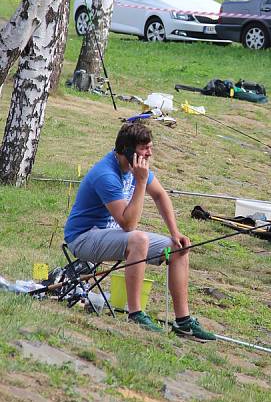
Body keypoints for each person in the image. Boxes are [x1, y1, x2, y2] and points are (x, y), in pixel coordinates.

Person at [64, 122, 215, 340]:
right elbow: (128, 225)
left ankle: (183, 322)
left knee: (178, 248)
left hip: (110, 234)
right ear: (126, 150)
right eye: (145, 149)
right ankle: (136, 314)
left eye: (150, 147)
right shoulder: (106, 174)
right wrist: (141, 182)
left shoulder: (137, 169)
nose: (150, 153)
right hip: (83, 238)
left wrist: (175, 232)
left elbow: (161, 195)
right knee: (138, 239)